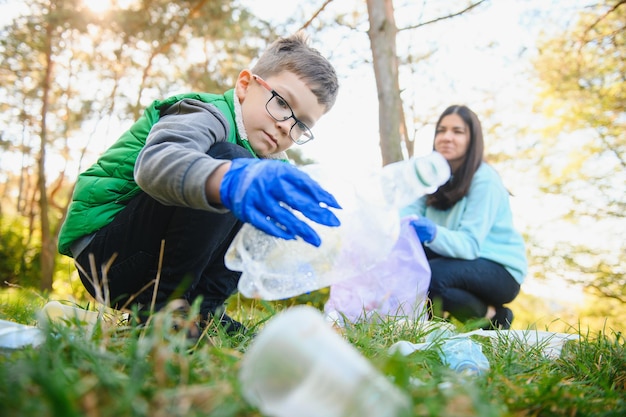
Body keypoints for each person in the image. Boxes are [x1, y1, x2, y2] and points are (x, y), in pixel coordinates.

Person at [57, 32, 341, 335]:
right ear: (245, 85)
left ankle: (204, 312)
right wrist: (230, 178)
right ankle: (164, 310)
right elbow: (156, 165)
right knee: (234, 164)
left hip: (155, 261)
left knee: (265, 197)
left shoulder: (272, 165)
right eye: (283, 103)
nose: (287, 125)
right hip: (108, 255)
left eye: (301, 124)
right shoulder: (203, 113)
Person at [401, 105, 527, 329]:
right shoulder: (431, 175)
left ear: (472, 139)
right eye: (441, 130)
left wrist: (433, 233)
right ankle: (423, 326)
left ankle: (492, 319)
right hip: (456, 260)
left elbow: (469, 244)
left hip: (498, 268)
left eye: (457, 132)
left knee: (431, 276)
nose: (447, 137)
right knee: (410, 265)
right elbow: (407, 213)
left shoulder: (485, 180)